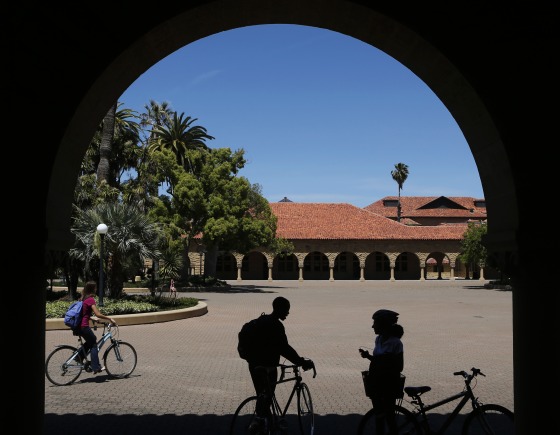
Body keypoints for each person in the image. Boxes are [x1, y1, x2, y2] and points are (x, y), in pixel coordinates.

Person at [246, 296, 314, 434]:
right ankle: (261, 422)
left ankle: (263, 420)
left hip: (254, 365)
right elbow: (284, 349)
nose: (287, 313)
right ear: (279, 308)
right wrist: (301, 362)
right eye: (286, 310)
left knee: (262, 395)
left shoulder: (261, 320)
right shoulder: (276, 325)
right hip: (269, 367)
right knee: (267, 397)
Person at [359, 309, 404, 435]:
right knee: (379, 417)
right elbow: (378, 360)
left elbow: (399, 367)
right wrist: (368, 356)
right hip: (375, 382)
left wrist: (382, 361)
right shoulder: (378, 339)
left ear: (384, 325)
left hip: (388, 384)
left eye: (375, 323)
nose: (373, 326)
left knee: (389, 417)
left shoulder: (396, 343)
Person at [78, 281, 117, 374]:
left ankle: (78, 357)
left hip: (79, 326)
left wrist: (93, 319)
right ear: (92, 289)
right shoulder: (90, 299)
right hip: (83, 326)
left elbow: (84, 314)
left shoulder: (83, 298)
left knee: (90, 341)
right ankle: (96, 367)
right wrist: (109, 318)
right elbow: (98, 313)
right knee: (94, 344)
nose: (96, 289)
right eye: (95, 288)